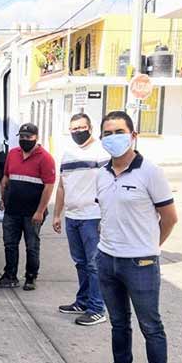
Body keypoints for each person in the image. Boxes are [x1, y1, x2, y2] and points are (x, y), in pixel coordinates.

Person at [88, 111, 177, 363]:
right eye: (107, 133)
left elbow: (169, 218)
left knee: (150, 326)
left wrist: (149, 248)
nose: (113, 137)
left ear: (133, 136)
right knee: (118, 323)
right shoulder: (101, 174)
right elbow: (107, 214)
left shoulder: (150, 172)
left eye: (119, 131)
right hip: (107, 259)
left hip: (140, 263)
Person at [52, 113, 110, 326]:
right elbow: (62, 186)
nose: (77, 132)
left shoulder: (101, 151)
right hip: (72, 217)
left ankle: (97, 308)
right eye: (73, 129)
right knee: (80, 263)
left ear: (90, 128)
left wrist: (106, 217)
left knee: (94, 265)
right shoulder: (68, 153)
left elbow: (109, 185)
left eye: (81, 127)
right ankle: (83, 301)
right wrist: (57, 214)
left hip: (92, 217)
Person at [0, 123, 56, 291]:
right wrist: (2, 197)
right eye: (22, 136)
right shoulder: (13, 154)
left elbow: (49, 187)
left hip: (32, 213)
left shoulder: (45, 158)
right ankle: (10, 276)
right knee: (9, 244)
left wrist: (40, 211)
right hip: (12, 210)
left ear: (36, 138)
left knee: (32, 246)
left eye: (28, 137)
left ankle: (31, 277)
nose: (24, 139)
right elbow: (6, 177)